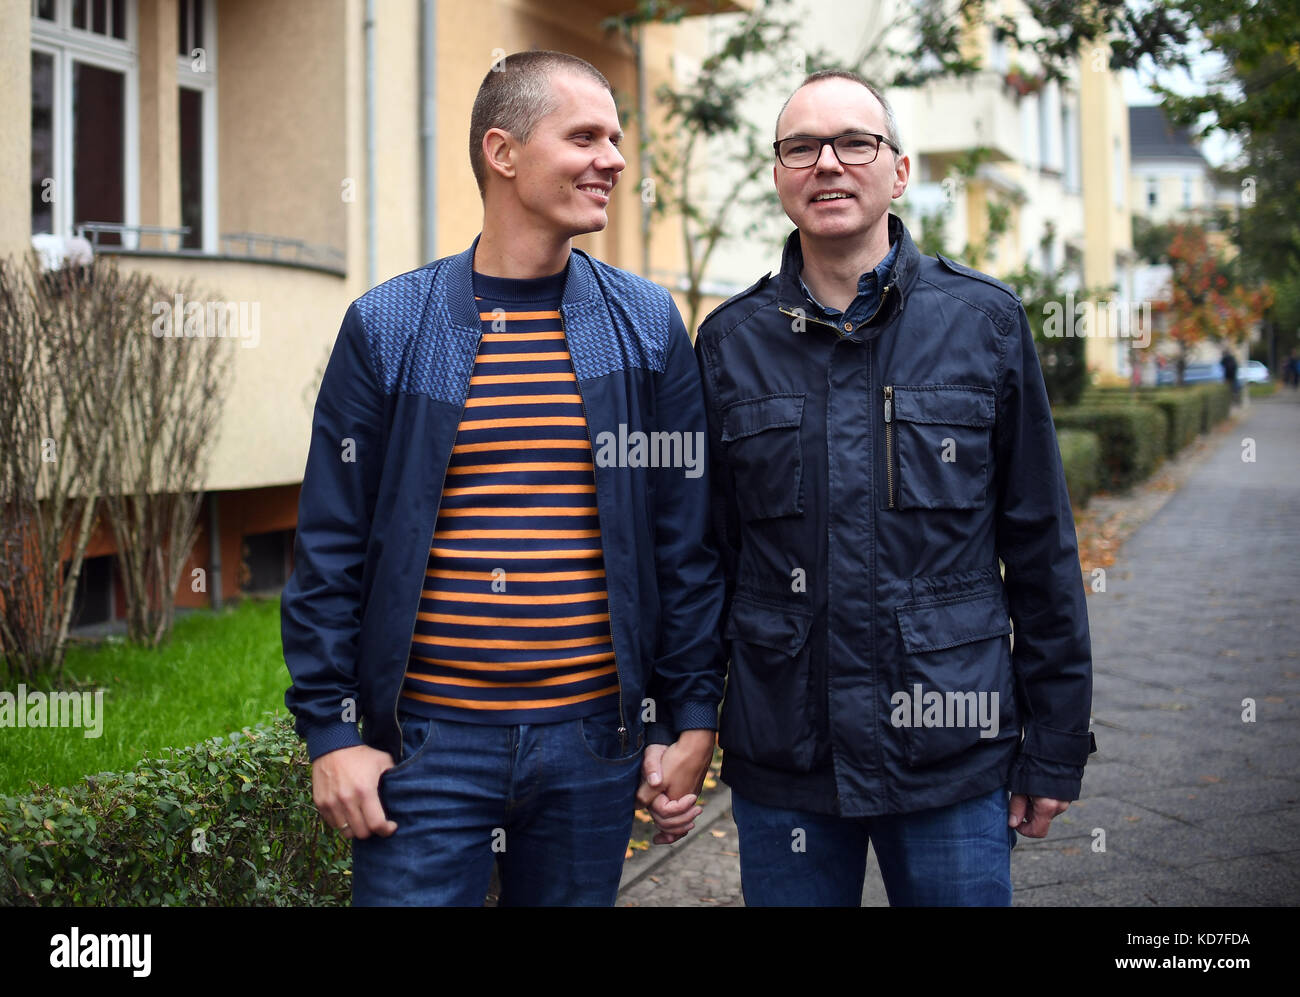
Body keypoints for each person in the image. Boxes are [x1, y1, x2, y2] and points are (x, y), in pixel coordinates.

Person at [282, 50, 724, 906]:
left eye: (618, 139)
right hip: (426, 752)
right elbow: (328, 547)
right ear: (504, 151)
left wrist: (690, 714)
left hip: (593, 749)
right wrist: (331, 733)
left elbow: (684, 543)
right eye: (586, 136)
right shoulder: (389, 325)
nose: (615, 160)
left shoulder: (644, 324)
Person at [682, 70, 1096, 906]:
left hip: (949, 754)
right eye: (801, 147)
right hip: (786, 758)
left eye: (853, 143)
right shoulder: (729, 343)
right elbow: (702, 561)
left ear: (897, 170)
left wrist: (1053, 742)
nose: (826, 163)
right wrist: (685, 720)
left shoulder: (984, 322)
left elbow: (1042, 547)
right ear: (778, 175)